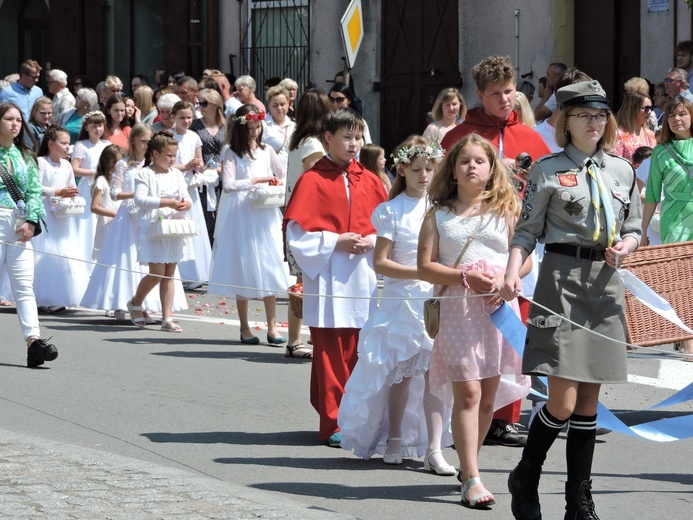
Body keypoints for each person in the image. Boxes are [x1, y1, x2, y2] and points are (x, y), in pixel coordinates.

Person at [501, 80, 642, 520]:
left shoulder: (622, 170)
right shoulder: (546, 170)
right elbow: (525, 233)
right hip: (560, 281)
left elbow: (634, 225)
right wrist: (510, 273)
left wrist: (628, 245)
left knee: (587, 405)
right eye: (584, 115)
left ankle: (579, 501)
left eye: (600, 116)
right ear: (566, 121)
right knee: (559, 403)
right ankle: (526, 474)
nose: (594, 123)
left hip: (604, 284)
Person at [441, 55, 551, 448]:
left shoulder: (529, 136)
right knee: (473, 333)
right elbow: (444, 186)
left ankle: (506, 415)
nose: (505, 100)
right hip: (473, 236)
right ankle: (472, 409)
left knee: (515, 324)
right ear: (479, 95)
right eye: (496, 94)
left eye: (509, 92)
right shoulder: (461, 135)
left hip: (517, 239)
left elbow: (546, 186)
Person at [418, 133, 530, 508]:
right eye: (464, 160)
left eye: (479, 161)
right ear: (452, 168)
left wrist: (508, 278)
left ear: (491, 167)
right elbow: (425, 266)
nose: (471, 167)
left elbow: (524, 255)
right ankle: (474, 478)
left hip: (498, 310)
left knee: (487, 399)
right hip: (458, 309)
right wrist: (464, 277)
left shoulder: (506, 208)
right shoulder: (438, 213)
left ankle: (470, 467)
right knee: (467, 393)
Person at [339, 135, 455, 475]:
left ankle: (434, 447)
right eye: (416, 169)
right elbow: (381, 262)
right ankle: (394, 436)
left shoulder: (443, 209)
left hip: (435, 298)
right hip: (402, 299)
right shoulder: (392, 210)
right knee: (401, 371)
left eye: (429, 169)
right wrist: (418, 271)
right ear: (402, 170)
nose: (423, 175)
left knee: (436, 373)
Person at [283, 108, 388, 446]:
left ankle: (356, 417)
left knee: (358, 349)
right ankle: (333, 421)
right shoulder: (313, 179)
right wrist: (336, 240)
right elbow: (297, 233)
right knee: (329, 351)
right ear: (328, 137)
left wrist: (370, 240)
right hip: (328, 274)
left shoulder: (371, 180)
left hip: (362, 275)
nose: (354, 144)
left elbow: (386, 229)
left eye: (358, 137)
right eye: (347, 137)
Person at [80, 124, 188, 321]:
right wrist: (139, 194)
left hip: (153, 215)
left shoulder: (156, 167)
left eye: (149, 141)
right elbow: (115, 192)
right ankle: (124, 302)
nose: (146, 145)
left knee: (156, 262)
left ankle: (148, 305)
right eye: (142, 141)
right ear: (134, 142)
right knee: (129, 260)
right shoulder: (125, 164)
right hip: (129, 215)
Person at [208, 103, 289, 345]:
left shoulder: (267, 150)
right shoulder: (231, 152)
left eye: (258, 127)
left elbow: (283, 174)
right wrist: (257, 180)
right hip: (242, 213)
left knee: (270, 263)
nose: (255, 132)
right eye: (251, 128)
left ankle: (273, 326)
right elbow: (230, 185)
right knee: (243, 266)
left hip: (264, 212)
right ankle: (244, 326)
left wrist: (274, 183)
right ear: (242, 129)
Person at [0, 102, 58, 367]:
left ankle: (34, 342)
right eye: (9, 119)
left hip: (21, 223)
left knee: (24, 287)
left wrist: (32, 222)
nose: (15, 124)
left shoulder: (26, 155)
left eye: (19, 120)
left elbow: (34, 192)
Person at [642, 97, 693, 360]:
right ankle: (687, 340)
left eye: (682, 114)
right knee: (681, 280)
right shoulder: (661, 152)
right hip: (675, 216)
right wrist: (642, 233)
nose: (677, 119)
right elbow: (651, 194)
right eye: (672, 115)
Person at [129, 131, 193, 333]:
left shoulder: (176, 174)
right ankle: (136, 303)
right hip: (154, 227)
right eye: (168, 155)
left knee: (169, 274)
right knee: (157, 273)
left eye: (175, 156)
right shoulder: (145, 174)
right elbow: (140, 200)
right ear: (155, 154)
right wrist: (167, 203)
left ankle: (167, 317)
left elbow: (186, 196)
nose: (172, 160)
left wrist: (185, 205)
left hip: (173, 226)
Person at [33, 125, 90, 311]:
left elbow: (71, 185)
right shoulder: (41, 162)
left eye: (69, 143)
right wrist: (57, 191)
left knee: (64, 252)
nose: (68, 147)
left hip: (62, 215)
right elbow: (36, 187)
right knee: (46, 251)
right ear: (50, 144)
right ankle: (44, 296)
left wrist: (72, 193)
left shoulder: (66, 165)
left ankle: (61, 294)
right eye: (63, 143)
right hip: (46, 214)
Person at [170, 100, 212, 290]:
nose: (186, 121)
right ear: (173, 118)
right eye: (182, 118)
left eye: (189, 117)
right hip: (173, 185)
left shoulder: (194, 136)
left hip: (190, 186)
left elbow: (200, 162)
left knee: (194, 226)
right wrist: (184, 166)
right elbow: (164, 164)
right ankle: (178, 271)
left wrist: (199, 166)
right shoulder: (168, 136)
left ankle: (196, 272)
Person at [71, 110, 111, 271]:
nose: (98, 130)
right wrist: (95, 172)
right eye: (94, 126)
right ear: (87, 127)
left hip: (104, 187)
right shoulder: (81, 145)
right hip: (88, 187)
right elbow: (75, 169)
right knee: (87, 222)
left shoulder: (107, 145)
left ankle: (101, 259)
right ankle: (85, 260)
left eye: (100, 126)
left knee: (103, 221)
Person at [190, 89, 226, 243]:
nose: (200, 107)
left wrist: (223, 169)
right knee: (206, 218)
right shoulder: (194, 125)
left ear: (216, 104)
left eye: (204, 103)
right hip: (203, 176)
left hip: (224, 175)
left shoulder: (227, 125)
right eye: (198, 103)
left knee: (222, 217)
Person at [90, 144, 123, 260]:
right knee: (108, 255)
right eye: (114, 161)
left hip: (120, 222)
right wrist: (114, 214)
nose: (117, 165)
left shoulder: (120, 181)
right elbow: (94, 207)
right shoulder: (101, 181)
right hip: (107, 224)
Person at [613, 91, 657, 163]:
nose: (649, 112)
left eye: (651, 108)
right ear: (633, 109)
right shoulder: (619, 135)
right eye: (646, 108)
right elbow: (616, 164)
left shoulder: (652, 136)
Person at [263, 85, 296, 172]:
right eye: (275, 105)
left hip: (291, 173)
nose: (279, 108)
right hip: (270, 174)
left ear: (288, 104)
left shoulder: (294, 126)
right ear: (269, 105)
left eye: (282, 104)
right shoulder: (263, 126)